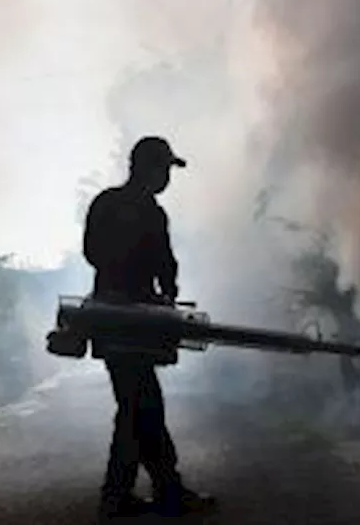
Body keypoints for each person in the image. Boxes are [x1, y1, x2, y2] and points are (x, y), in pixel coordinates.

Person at [82, 136, 216, 520]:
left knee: (137, 407)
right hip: (132, 322)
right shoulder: (149, 213)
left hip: (111, 319)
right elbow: (165, 266)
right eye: (165, 169)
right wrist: (160, 295)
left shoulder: (106, 203)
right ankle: (149, 493)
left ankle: (135, 493)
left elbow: (93, 252)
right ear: (148, 168)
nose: (167, 178)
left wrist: (152, 292)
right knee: (141, 406)